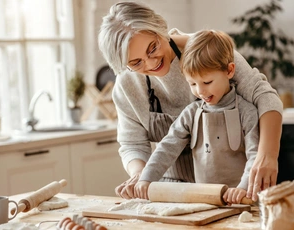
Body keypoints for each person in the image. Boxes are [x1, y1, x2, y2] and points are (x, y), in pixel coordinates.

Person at [98, 1, 282, 202]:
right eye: (136, 62)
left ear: (159, 27)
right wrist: (141, 175)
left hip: (232, 190)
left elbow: (264, 96)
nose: (151, 63)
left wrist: (267, 155)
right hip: (171, 192)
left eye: (152, 47)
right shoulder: (127, 84)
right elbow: (132, 143)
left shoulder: (206, 49)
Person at [134, 29, 258, 204]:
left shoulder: (247, 112)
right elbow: (167, 147)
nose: (200, 91)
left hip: (243, 200)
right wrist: (146, 178)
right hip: (206, 202)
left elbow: (256, 156)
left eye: (207, 82)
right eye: (192, 83)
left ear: (229, 71)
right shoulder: (191, 113)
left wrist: (242, 188)